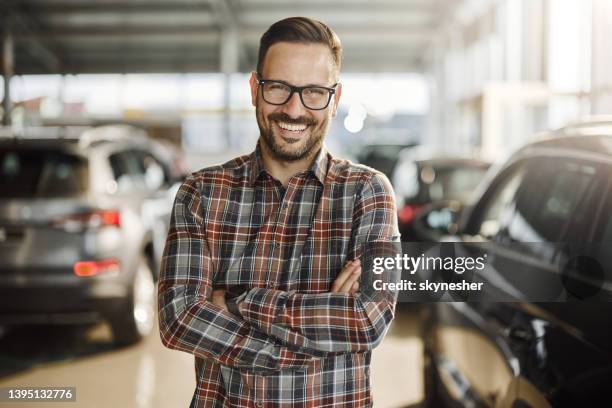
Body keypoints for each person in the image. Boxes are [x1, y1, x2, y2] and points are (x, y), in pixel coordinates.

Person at [158, 16, 399, 407]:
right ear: (255, 89)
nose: (294, 109)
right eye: (279, 88)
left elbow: (368, 321)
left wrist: (237, 301)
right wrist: (309, 344)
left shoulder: (368, 193)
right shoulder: (201, 193)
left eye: (314, 92)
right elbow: (179, 319)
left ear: (334, 100)